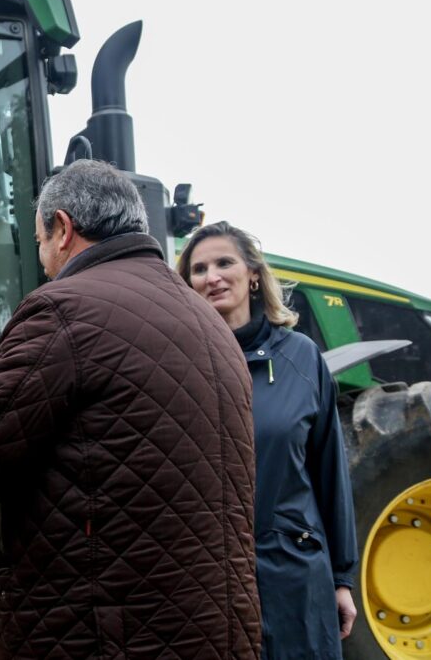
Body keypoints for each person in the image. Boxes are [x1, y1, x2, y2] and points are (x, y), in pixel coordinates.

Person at [0, 159, 262, 659]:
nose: (44, 260)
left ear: (64, 229)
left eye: (41, 241)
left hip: (103, 631)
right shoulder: (211, 322)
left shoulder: (63, 309)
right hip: (213, 630)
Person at [178, 221, 359, 658]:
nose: (212, 276)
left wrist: (342, 579)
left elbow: (329, 470)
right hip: (209, 578)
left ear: (253, 274)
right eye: (199, 269)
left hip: (294, 574)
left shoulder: (301, 356)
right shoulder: (178, 364)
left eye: (224, 262)